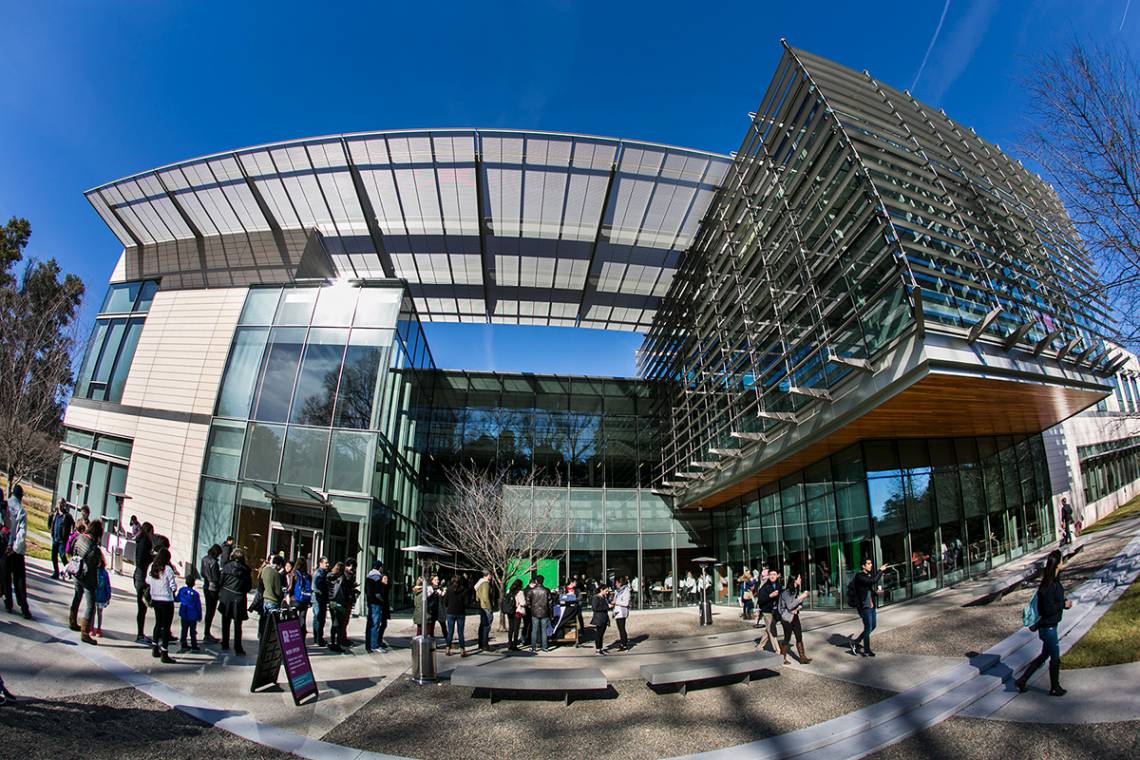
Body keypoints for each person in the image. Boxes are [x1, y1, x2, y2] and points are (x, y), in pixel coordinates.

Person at [1015, 550, 1073, 696]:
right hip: (1048, 628)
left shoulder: (1054, 581)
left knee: (1044, 655)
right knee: (1055, 657)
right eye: (1061, 560)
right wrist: (1063, 605)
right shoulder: (1048, 586)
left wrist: (1062, 603)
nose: (1063, 563)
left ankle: (1022, 680)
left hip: (1051, 626)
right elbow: (1048, 609)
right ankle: (1055, 687)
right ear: (1057, 563)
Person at [69, 521, 104, 644]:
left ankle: (72, 621)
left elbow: (71, 549)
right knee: (90, 605)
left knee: (77, 595)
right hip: (87, 577)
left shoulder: (79, 537)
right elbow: (97, 565)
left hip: (76, 571)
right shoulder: (94, 548)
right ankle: (85, 632)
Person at [849, 558, 890, 657]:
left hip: (871, 605)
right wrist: (880, 571)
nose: (870, 565)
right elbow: (873, 581)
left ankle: (856, 642)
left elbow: (868, 588)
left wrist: (876, 593)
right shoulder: (859, 576)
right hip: (864, 606)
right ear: (863, 566)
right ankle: (866, 650)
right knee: (868, 628)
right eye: (868, 564)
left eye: (871, 563)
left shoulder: (868, 575)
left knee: (873, 626)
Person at [3, 485, 31, 619]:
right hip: (16, 550)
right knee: (19, 579)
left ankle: (8, 602)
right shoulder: (21, 510)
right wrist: (15, 548)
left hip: (4, 547)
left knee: (6, 576)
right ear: (21, 496)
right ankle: (23, 606)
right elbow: (22, 532)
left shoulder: (5, 505)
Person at [147, 547, 178, 663]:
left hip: (155, 598)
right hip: (166, 599)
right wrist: (173, 590)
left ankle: (155, 647)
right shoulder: (168, 569)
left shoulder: (152, 566)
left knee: (158, 623)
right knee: (166, 627)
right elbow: (173, 585)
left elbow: (147, 580)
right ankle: (164, 652)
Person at [218, 548, 252, 655]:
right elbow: (248, 587)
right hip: (239, 597)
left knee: (225, 621)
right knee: (238, 625)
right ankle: (238, 647)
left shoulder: (226, 566)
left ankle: (225, 642)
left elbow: (221, 581)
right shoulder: (246, 570)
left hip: (227, 595)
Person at [778, 573, 812, 664]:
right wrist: (801, 597)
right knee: (787, 638)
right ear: (794, 580)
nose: (800, 580)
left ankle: (802, 657)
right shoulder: (786, 592)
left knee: (799, 636)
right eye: (799, 578)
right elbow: (789, 606)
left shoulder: (796, 590)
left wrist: (798, 608)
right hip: (786, 618)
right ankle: (782, 658)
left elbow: (798, 604)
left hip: (794, 616)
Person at [132, 521, 155, 643]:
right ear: (148, 531)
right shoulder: (145, 542)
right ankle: (140, 634)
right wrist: (152, 557)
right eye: (152, 532)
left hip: (138, 575)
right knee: (142, 607)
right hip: (141, 576)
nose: (153, 534)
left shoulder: (140, 541)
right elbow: (142, 560)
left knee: (142, 607)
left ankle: (140, 633)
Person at [755, 568, 783, 652]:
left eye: (774, 574)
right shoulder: (764, 586)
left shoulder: (779, 586)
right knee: (772, 630)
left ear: (778, 575)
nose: (772, 576)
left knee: (768, 629)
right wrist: (770, 596)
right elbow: (760, 600)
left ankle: (760, 646)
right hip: (767, 611)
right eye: (770, 574)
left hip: (776, 611)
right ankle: (778, 650)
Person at [199, 544, 222, 643]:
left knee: (209, 610)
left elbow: (202, 573)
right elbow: (216, 578)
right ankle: (207, 633)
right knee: (211, 611)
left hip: (206, 585)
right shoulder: (214, 563)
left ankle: (207, 632)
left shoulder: (204, 559)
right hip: (213, 587)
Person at [257, 555, 285, 639]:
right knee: (272, 625)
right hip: (273, 601)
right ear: (279, 565)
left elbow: (260, 583)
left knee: (263, 621)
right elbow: (278, 591)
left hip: (265, 600)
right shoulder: (276, 574)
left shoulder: (265, 570)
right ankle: (268, 640)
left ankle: (261, 636)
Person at [444, 574, 470, 657]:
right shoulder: (464, 590)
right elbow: (466, 603)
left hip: (451, 612)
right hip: (461, 612)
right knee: (460, 632)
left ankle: (448, 648)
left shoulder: (449, 589)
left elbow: (445, 602)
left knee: (450, 632)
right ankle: (462, 650)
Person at [327, 562, 349, 652]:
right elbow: (343, 592)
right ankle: (338, 644)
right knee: (340, 625)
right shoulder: (342, 579)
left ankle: (333, 642)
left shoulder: (329, 576)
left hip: (332, 602)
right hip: (339, 602)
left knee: (334, 623)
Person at [177, 575, 203, 653]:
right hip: (193, 615)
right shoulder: (195, 594)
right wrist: (199, 615)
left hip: (184, 614)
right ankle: (194, 644)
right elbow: (198, 606)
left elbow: (178, 598)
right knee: (192, 630)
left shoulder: (182, 591)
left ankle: (183, 642)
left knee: (184, 629)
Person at [527, 575, 551, 653]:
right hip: (544, 612)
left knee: (534, 630)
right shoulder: (546, 590)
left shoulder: (532, 591)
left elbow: (528, 601)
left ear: (536, 581)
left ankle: (533, 647)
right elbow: (550, 600)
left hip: (534, 612)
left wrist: (531, 607)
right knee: (544, 630)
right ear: (543, 581)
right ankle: (545, 647)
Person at [364, 560, 385, 653]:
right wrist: (382, 600)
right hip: (376, 603)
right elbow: (377, 593)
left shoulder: (369, 576)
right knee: (375, 624)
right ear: (379, 567)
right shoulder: (377, 578)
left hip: (370, 602)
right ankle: (374, 645)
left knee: (370, 624)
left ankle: (369, 644)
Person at [50, 499, 74, 579]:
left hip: (62, 540)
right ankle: (56, 572)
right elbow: (51, 523)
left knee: (63, 556)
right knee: (53, 556)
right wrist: (52, 532)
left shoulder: (67, 515)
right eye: (59, 503)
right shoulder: (55, 514)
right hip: (55, 539)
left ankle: (69, 572)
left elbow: (73, 524)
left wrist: (71, 534)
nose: (60, 505)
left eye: (62, 503)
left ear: (64, 505)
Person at [290, 557, 313, 640]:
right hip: (305, 600)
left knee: (293, 620)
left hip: (295, 599)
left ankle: (294, 638)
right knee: (302, 619)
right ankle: (302, 639)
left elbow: (291, 588)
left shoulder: (294, 574)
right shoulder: (308, 576)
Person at [312, 556, 330, 646]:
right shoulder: (319, 574)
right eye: (326, 563)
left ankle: (317, 638)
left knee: (318, 619)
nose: (327, 564)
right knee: (319, 619)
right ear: (320, 563)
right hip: (318, 599)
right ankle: (319, 639)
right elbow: (315, 587)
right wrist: (321, 593)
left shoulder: (323, 573)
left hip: (319, 599)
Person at [341, 557, 359, 646]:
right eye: (353, 567)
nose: (354, 569)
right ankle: (342, 639)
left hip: (348, 600)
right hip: (345, 601)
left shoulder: (349, 576)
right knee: (343, 621)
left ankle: (343, 638)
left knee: (345, 621)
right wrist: (352, 589)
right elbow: (344, 589)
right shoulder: (345, 576)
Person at [475, 569, 494, 652]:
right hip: (486, 607)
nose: (492, 576)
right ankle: (485, 645)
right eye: (491, 575)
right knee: (486, 626)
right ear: (488, 575)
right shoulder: (486, 584)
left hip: (481, 607)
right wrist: (490, 608)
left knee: (482, 626)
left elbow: (477, 597)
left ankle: (481, 644)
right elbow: (486, 597)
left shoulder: (479, 583)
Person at [590, 581, 610, 655]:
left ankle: (600, 648)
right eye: (606, 591)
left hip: (604, 618)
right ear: (601, 590)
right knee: (598, 634)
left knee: (601, 634)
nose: (607, 592)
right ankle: (598, 649)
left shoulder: (604, 597)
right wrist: (607, 607)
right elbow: (595, 608)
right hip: (599, 618)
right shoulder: (596, 597)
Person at [503, 578, 523, 650]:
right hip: (517, 612)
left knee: (511, 628)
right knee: (516, 628)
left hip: (510, 611)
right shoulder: (520, 592)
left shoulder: (509, 591)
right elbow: (523, 603)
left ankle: (509, 643)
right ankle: (515, 645)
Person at [612, 575, 631, 651]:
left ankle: (624, 645)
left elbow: (626, 603)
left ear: (620, 583)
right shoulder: (618, 591)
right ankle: (623, 643)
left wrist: (615, 602)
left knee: (622, 628)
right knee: (620, 628)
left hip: (622, 611)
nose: (615, 584)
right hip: (617, 611)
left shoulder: (626, 591)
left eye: (616, 582)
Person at [94, 553, 111, 637]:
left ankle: (98, 628)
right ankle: (92, 627)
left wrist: (108, 595)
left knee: (99, 613)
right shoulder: (93, 571)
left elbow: (107, 585)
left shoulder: (104, 573)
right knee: (92, 612)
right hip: (94, 595)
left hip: (101, 596)